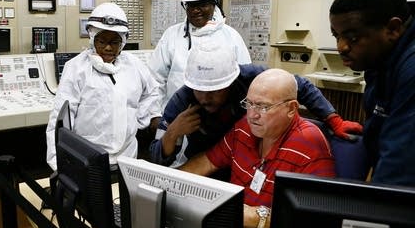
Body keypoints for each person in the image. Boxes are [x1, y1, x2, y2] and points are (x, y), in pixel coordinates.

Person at [149, 43, 362, 168]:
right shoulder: (182, 100)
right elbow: (157, 158)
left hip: (251, 160)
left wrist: (333, 119)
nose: (205, 98)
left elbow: (301, 85)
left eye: (214, 91)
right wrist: (173, 133)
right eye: (199, 90)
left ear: (231, 82)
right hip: (208, 161)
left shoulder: (250, 77)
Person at [179, 68, 336, 228]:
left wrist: (256, 217)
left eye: (263, 107)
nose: (252, 115)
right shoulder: (244, 127)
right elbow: (207, 162)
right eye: (249, 104)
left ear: (291, 109)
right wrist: (169, 182)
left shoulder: (310, 144)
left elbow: (320, 219)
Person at [45, 2, 161, 170]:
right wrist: (59, 166)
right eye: (102, 41)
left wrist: (140, 118)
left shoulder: (135, 66)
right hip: (88, 159)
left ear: (123, 42)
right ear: (92, 38)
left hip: (126, 157)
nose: (108, 47)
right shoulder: (76, 68)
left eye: (114, 42)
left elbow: (151, 93)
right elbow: (59, 120)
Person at [329, 0, 415, 186]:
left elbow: (399, 168)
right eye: (336, 36)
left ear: (393, 29)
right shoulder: (379, 60)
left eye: (353, 38)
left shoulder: (411, 68)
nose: (341, 47)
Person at [149, 0, 251, 110]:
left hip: (221, 118)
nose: (196, 10)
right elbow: (155, 79)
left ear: (214, 4)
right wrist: (155, 114)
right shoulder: (172, 35)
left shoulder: (231, 36)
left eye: (202, 4)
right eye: (191, 5)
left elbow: (244, 80)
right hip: (179, 115)